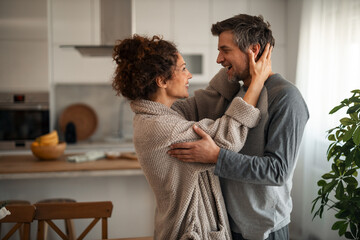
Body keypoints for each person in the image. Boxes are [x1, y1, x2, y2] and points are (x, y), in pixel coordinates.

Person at [112, 34, 272, 239]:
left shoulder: (160, 114)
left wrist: (236, 65)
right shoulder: (161, 128)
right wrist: (256, 83)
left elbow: (207, 99)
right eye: (183, 68)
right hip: (190, 232)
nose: (190, 75)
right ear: (161, 80)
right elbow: (227, 136)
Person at [168, 14, 309, 240]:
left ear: (253, 50)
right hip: (227, 224)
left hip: (263, 230)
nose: (218, 59)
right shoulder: (238, 90)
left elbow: (277, 171)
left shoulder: (286, 97)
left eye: (225, 50)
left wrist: (217, 156)